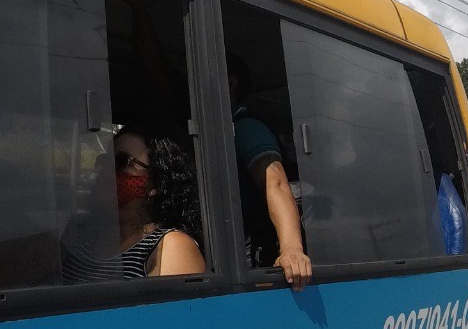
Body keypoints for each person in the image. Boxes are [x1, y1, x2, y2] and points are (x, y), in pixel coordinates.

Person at [62, 126, 205, 281]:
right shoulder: (78, 229)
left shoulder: (170, 247)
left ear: (155, 183)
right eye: (104, 160)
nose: (104, 169)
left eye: (121, 162)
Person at [227, 53, 313, 291]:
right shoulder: (222, 131)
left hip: (252, 259)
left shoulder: (246, 129)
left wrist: (291, 250)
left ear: (230, 83)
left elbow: (275, 182)